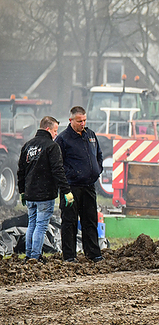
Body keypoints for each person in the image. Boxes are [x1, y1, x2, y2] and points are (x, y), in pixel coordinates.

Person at [17, 116, 74, 262]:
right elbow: (58, 170)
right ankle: (35, 256)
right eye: (55, 131)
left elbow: (21, 171)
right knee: (41, 226)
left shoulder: (28, 146)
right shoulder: (51, 147)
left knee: (32, 224)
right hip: (45, 194)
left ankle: (29, 255)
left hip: (30, 194)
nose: (56, 134)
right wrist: (66, 190)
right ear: (48, 129)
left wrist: (22, 191)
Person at [55, 106, 104, 263]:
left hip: (89, 185)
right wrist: (71, 176)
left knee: (90, 220)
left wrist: (97, 170)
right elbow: (58, 164)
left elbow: (99, 155)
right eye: (79, 121)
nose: (82, 123)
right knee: (69, 222)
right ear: (71, 120)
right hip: (71, 187)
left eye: (84, 120)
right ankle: (69, 256)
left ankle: (93, 253)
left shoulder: (90, 135)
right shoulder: (62, 139)